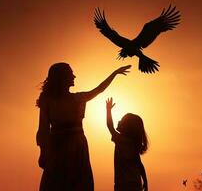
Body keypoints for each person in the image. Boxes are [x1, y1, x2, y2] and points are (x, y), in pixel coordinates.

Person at [36, 63, 131, 191]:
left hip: (76, 147)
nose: (74, 76)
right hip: (60, 148)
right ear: (62, 77)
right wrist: (43, 152)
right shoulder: (49, 100)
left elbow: (99, 89)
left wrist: (114, 73)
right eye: (71, 73)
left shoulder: (77, 99)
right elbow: (43, 130)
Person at [106, 97, 149, 191]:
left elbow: (110, 126)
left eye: (121, 120)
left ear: (127, 126)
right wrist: (145, 182)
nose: (119, 121)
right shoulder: (132, 144)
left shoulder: (120, 139)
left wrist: (108, 110)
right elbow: (140, 165)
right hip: (135, 184)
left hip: (122, 185)